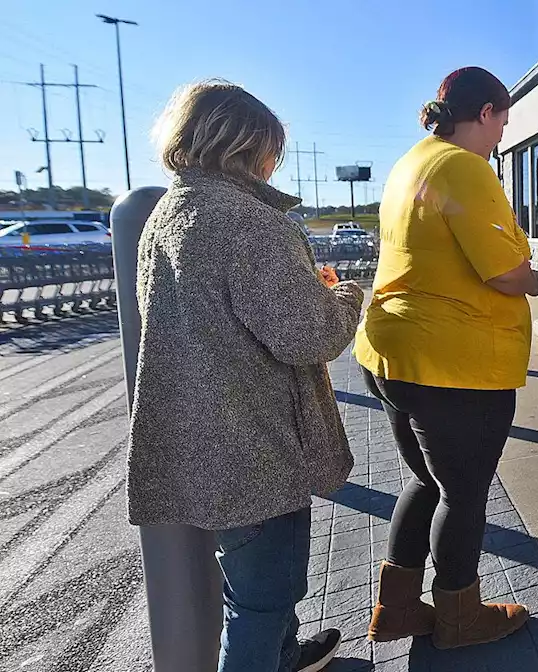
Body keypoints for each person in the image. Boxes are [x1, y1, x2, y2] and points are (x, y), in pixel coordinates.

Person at [128, 80, 365, 672]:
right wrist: (346, 298)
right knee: (262, 599)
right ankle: (268, 655)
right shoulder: (250, 223)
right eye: (271, 151)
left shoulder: (171, 212)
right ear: (251, 147)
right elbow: (309, 335)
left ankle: (286, 655)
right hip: (254, 447)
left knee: (251, 585)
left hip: (198, 440)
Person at [356, 66, 538, 649]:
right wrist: (532, 277)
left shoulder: (411, 162)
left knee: (427, 481)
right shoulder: (465, 167)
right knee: (463, 497)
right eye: (502, 123)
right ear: (484, 111)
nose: (502, 138)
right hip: (454, 365)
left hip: (393, 350)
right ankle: (460, 616)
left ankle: (399, 608)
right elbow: (505, 272)